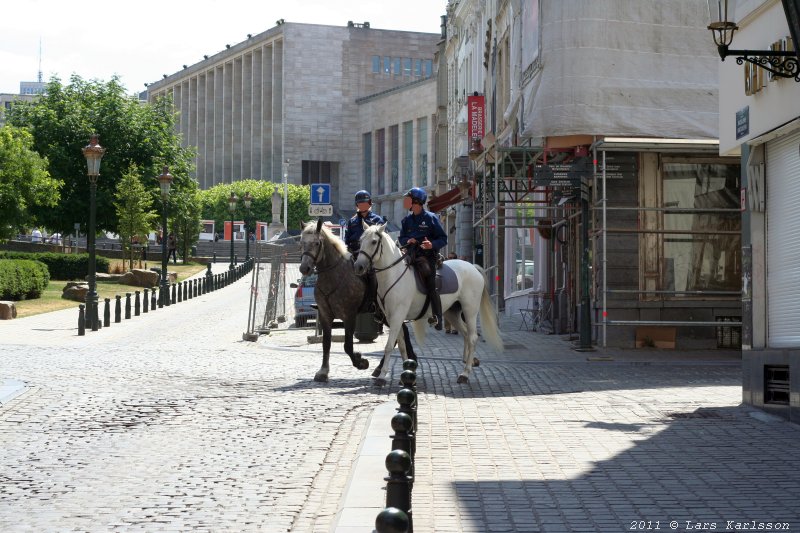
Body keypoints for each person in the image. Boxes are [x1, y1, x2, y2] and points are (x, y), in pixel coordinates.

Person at [399, 187, 447, 330]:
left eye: (408, 200)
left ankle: (438, 318)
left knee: (431, 284)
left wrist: (431, 245)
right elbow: (401, 238)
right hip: (409, 255)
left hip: (427, 257)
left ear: (417, 202)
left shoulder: (431, 218)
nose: (406, 202)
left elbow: (443, 239)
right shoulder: (406, 220)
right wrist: (408, 240)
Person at [344, 190, 387, 323]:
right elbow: (346, 240)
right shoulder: (352, 222)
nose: (362, 205)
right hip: (355, 254)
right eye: (360, 203)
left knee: (373, 278)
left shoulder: (377, 220)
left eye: (365, 203)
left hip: (371, 257)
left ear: (369, 204)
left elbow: (383, 241)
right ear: (357, 205)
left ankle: (376, 306)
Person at [444, 251, 458, 334]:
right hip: (446, 291)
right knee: (446, 310)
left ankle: (454, 328)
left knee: (455, 311)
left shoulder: (458, 266)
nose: (451, 259)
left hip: (455, 291)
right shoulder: (444, 265)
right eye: (450, 258)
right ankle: (447, 328)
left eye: (453, 258)